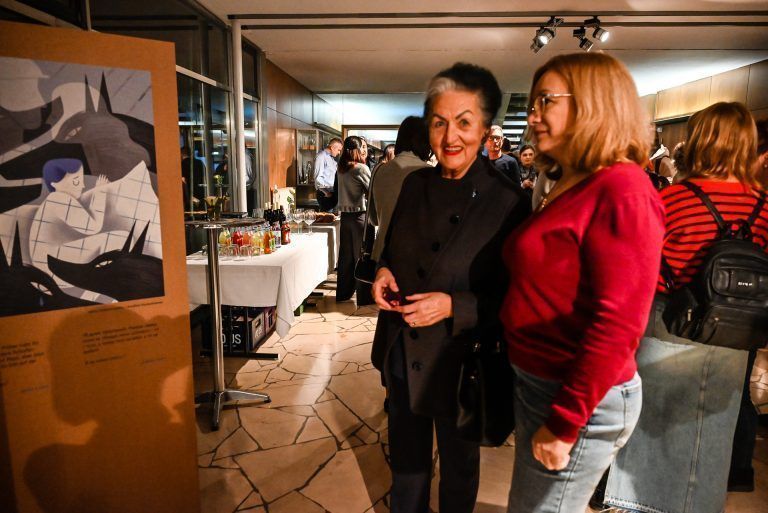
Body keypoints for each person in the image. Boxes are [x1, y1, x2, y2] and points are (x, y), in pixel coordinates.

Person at [500, 52, 665, 513]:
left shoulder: (624, 188)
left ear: (593, 103)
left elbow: (619, 323)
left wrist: (568, 420)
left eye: (545, 101)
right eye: (533, 103)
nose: (532, 117)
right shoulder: (575, 181)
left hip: (578, 393)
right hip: (544, 380)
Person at [371, 62, 529, 513]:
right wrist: (384, 272)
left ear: (484, 130)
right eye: (440, 123)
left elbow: (514, 298)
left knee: (459, 472)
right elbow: (393, 253)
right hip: (403, 352)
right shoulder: (413, 184)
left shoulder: (508, 202)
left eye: (464, 123)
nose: (450, 137)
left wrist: (453, 306)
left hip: (462, 361)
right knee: (406, 467)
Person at [605, 103, 768, 513]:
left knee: (651, 433)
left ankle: (638, 506)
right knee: (709, 438)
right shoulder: (763, 206)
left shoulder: (674, 199)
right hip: (735, 337)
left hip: (668, 327)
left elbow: (641, 267)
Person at [368, 116, 431, 262]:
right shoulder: (430, 174)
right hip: (417, 259)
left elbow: (373, 219)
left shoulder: (379, 171)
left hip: (382, 256)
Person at [335, 136, 372, 303]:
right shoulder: (361, 168)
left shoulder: (341, 168)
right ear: (357, 150)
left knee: (346, 257)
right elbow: (372, 192)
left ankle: (344, 293)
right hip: (360, 218)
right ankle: (364, 297)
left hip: (345, 219)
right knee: (362, 256)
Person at [313, 137, 343, 212]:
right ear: (332, 147)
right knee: (327, 220)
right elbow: (318, 177)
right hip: (326, 194)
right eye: (338, 150)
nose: (339, 152)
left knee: (333, 219)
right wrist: (327, 192)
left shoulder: (331, 158)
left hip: (332, 193)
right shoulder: (321, 156)